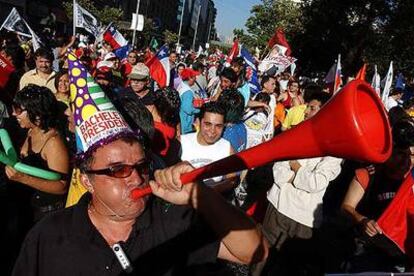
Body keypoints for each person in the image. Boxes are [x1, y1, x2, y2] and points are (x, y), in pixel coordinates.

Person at [13, 53, 268, 275]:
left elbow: (255, 252)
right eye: (118, 170)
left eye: (142, 166)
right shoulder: (48, 235)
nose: (137, 179)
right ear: (86, 180)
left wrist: (200, 196)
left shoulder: (168, 220)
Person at [252, 92, 341, 276]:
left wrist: (296, 169)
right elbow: (279, 170)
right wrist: (297, 175)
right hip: (277, 207)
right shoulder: (296, 132)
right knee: (262, 260)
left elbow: (316, 182)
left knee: (291, 267)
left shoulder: (334, 148)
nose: (306, 110)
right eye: (307, 106)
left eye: (312, 107)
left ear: (325, 112)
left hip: (303, 218)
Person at [6, 85, 70, 221]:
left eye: (18, 110)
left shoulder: (53, 143)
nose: (13, 114)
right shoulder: (30, 129)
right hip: (26, 204)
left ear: (37, 114)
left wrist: (23, 178)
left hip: (45, 214)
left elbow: (62, 187)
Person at [181, 102, 237, 192]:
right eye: (208, 124)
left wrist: (210, 192)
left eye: (218, 126)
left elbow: (232, 179)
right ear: (198, 122)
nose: (212, 131)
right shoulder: (182, 142)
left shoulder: (227, 148)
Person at [177, 68, 201, 134]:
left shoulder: (181, 86)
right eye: (194, 77)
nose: (195, 79)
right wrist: (199, 110)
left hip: (181, 119)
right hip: (186, 123)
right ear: (189, 78)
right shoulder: (188, 92)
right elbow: (188, 109)